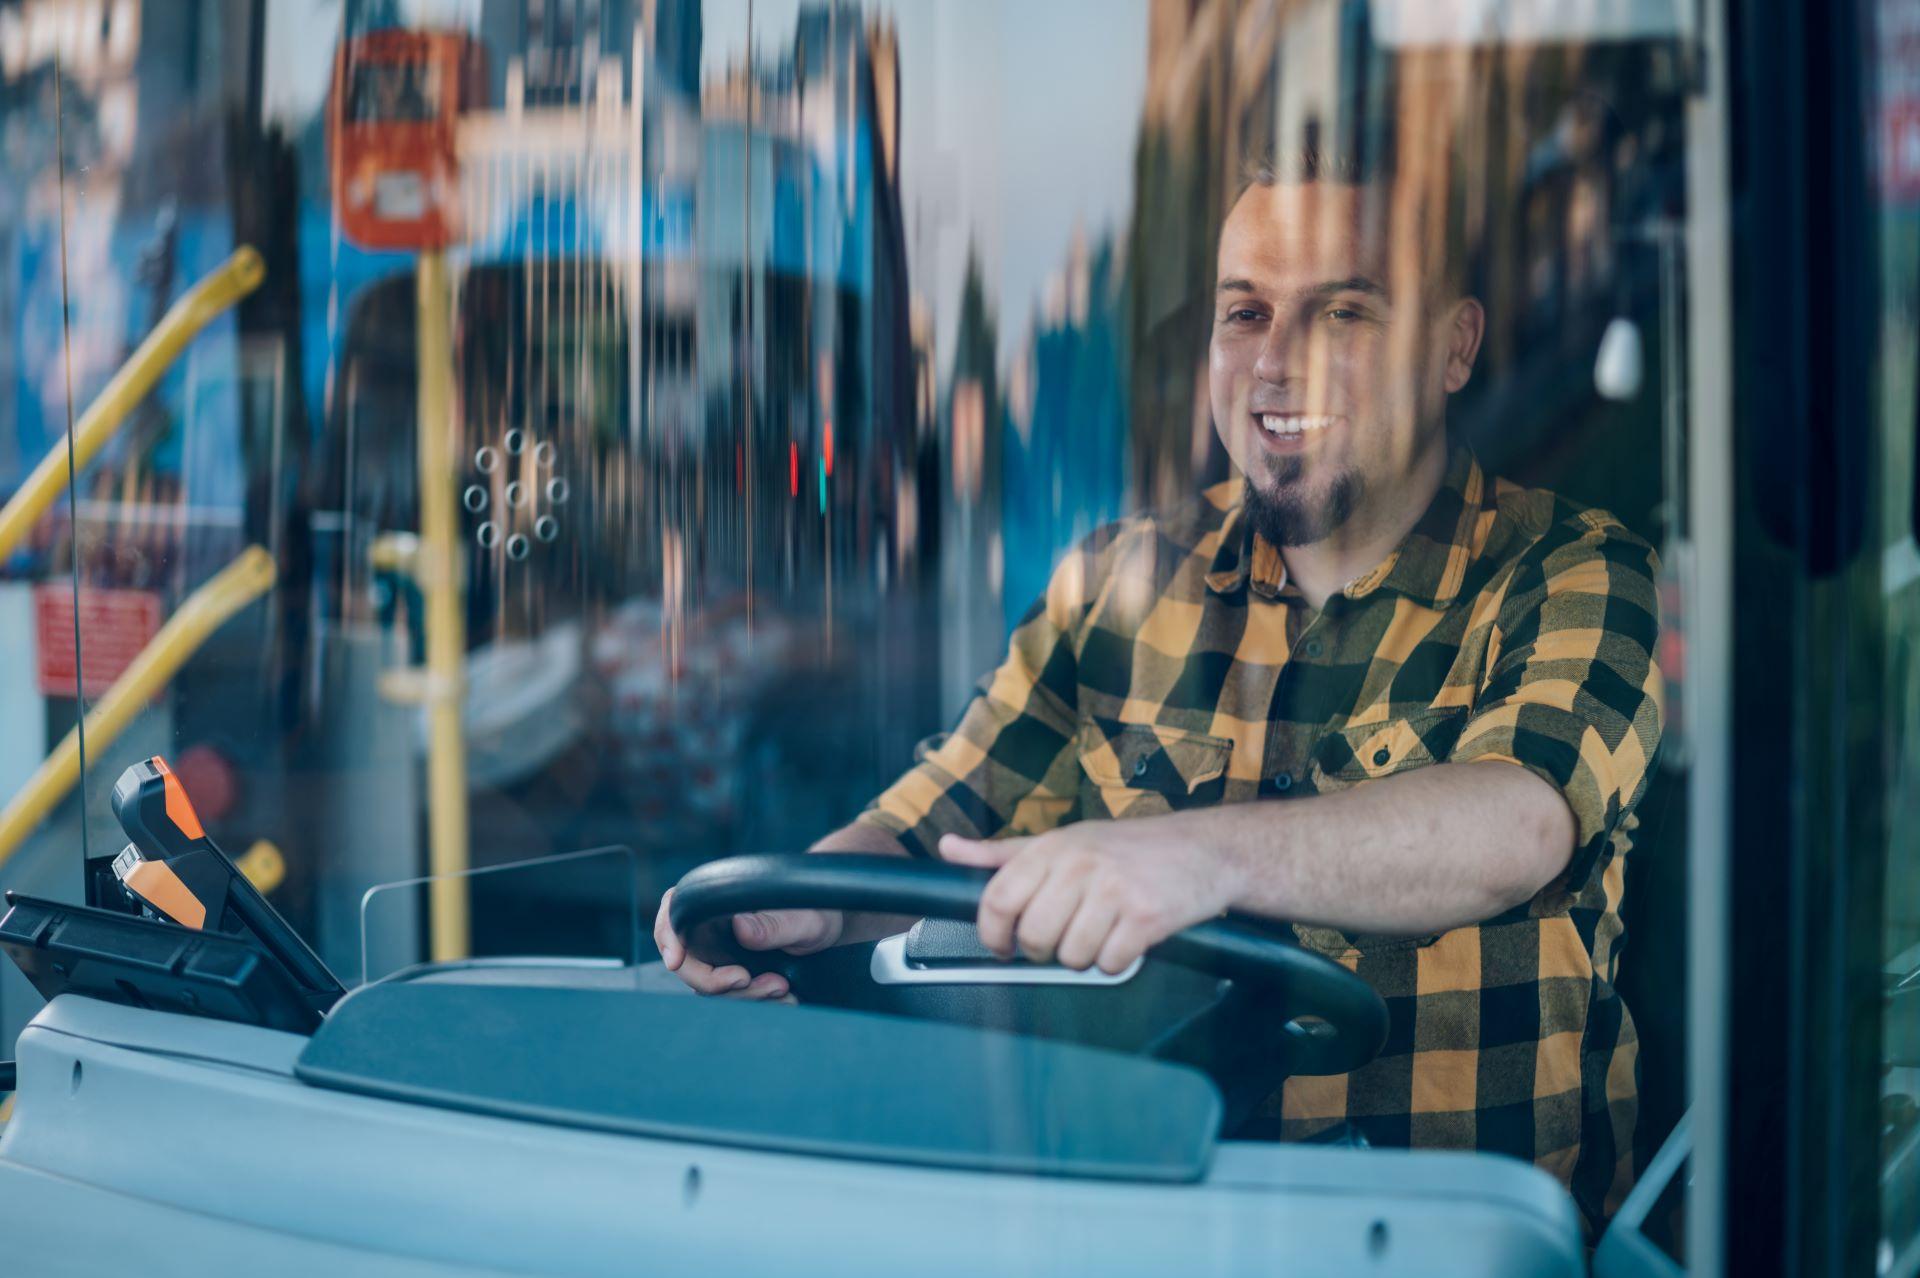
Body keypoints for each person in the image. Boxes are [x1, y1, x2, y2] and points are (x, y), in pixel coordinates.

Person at [656, 148, 1662, 1236]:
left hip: (1457, 1249)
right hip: (1157, 1235)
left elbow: (1517, 818)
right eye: (1245, 313)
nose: (1279, 365)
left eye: (1343, 315)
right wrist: (808, 900)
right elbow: (935, 827)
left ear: (1454, 346)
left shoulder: (1569, 569)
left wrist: (1197, 858)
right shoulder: (1117, 585)